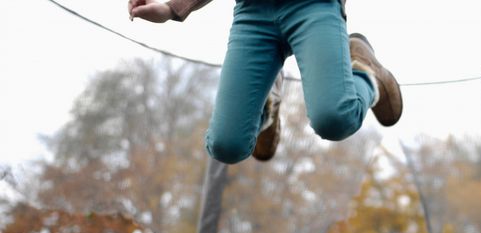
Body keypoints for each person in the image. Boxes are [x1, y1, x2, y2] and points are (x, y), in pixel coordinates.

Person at [128, 0, 402, 164]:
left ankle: (366, 75)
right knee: (226, 145)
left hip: (314, 8)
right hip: (254, 17)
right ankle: (267, 104)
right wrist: (171, 8)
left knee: (335, 118)